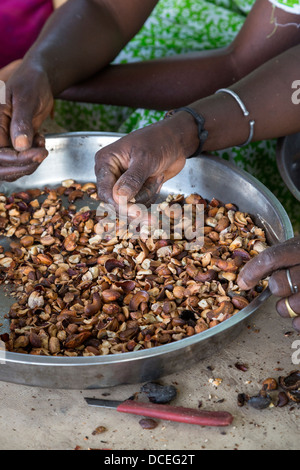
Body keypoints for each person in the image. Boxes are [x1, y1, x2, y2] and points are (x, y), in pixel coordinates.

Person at [0, 0, 299, 330]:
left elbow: (239, 65)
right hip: (142, 50)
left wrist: (185, 128)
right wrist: (40, 70)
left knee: (161, 145)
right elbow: (105, 9)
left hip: (260, 93)